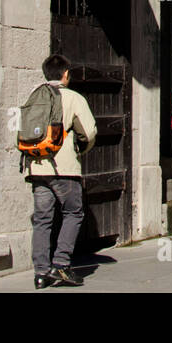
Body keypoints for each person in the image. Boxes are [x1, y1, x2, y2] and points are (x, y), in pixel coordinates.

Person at [25, 53, 98, 289]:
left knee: (42, 219)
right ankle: (61, 264)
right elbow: (89, 132)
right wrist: (80, 150)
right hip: (64, 169)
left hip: (37, 167)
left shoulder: (35, 97)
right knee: (74, 213)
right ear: (65, 74)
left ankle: (40, 273)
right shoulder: (73, 98)